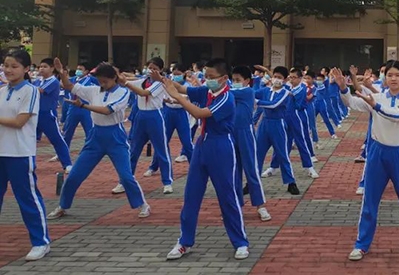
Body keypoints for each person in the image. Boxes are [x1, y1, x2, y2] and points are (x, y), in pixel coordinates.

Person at [332, 63, 399, 262]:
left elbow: (397, 116)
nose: (393, 78)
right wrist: (343, 88)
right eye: (390, 75)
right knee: (369, 201)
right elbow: (352, 103)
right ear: (385, 78)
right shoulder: (377, 97)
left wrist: (375, 106)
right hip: (377, 153)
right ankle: (361, 244)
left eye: (397, 75)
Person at [158, 58, 250, 261]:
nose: (207, 80)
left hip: (221, 147)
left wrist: (177, 97)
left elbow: (199, 113)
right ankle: (184, 241)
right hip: (202, 145)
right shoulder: (207, 91)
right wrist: (163, 80)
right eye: (206, 76)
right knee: (191, 195)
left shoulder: (227, 98)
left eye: (211, 77)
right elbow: (183, 88)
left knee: (227, 196)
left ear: (224, 78)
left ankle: (240, 242)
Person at [46, 59, 150, 220]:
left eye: (105, 81)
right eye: (100, 81)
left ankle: (142, 204)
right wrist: (62, 73)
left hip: (115, 137)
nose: (102, 84)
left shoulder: (123, 92)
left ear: (114, 78)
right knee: (75, 174)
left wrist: (83, 106)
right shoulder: (94, 90)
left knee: (126, 176)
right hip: (95, 137)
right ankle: (63, 206)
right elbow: (69, 86)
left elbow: (107, 110)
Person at [0, 49, 51, 261]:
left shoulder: (30, 91)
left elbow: (20, 122)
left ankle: (40, 242)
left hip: (20, 153)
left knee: (27, 199)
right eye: (6, 65)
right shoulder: (2, 91)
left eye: (14, 66)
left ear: (26, 69)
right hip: (1, 152)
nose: (8, 70)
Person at [122, 57, 173, 195]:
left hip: (155, 116)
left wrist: (126, 82)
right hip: (140, 117)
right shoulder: (143, 81)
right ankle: (125, 181)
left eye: (155, 68)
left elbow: (144, 93)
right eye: (150, 68)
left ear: (161, 70)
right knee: (133, 150)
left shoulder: (160, 83)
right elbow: (130, 81)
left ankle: (167, 182)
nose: (151, 70)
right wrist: (117, 75)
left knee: (161, 150)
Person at [230, 65, 271, 222]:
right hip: (230, 133)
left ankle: (260, 205)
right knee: (234, 171)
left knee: (251, 170)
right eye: (233, 80)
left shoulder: (247, 92)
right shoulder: (229, 93)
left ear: (247, 81)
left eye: (238, 80)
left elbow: (225, 92)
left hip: (245, 133)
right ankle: (236, 206)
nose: (235, 82)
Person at [254, 66, 300, 195]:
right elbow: (251, 93)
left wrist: (256, 101)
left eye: (279, 77)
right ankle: (252, 183)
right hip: (264, 124)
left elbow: (274, 104)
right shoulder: (265, 90)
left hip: (278, 124)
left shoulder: (285, 92)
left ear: (285, 80)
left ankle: (291, 182)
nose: (276, 79)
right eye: (275, 76)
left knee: (282, 154)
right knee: (257, 154)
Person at [33, 58, 72, 172]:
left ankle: (67, 164)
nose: (41, 69)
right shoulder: (38, 81)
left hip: (47, 115)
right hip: (34, 114)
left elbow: (38, 91)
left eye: (45, 67)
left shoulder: (53, 81)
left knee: (57, 140)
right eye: (40, 67)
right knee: (30, 140)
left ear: (52, 68)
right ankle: (30, 164)